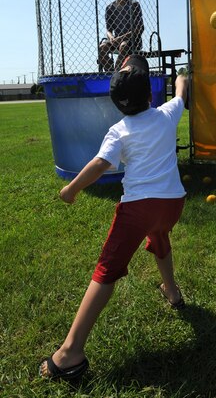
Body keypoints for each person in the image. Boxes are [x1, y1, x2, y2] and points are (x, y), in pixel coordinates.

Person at [39, 55, 188, 380]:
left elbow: (98, 164)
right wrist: (182, 77)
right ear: (150, 95)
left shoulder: (118, 130)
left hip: (138, 209)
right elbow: (180, 93)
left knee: (107, 269)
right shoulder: (166, 115)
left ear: (116, 104)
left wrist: (72, 189)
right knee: (160, 237)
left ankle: (70, 354)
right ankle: (172, 292)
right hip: (173, 203)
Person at [99, 0, 144, 72]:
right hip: (116, 41)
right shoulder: (110, 8)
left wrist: (121, 38)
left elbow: (139, 29)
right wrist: (111, 38)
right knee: (102, 47)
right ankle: (110, 71)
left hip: (133, 40)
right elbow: (108, 29)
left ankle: (116, 72)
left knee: (123, 45)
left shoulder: (134, 5)